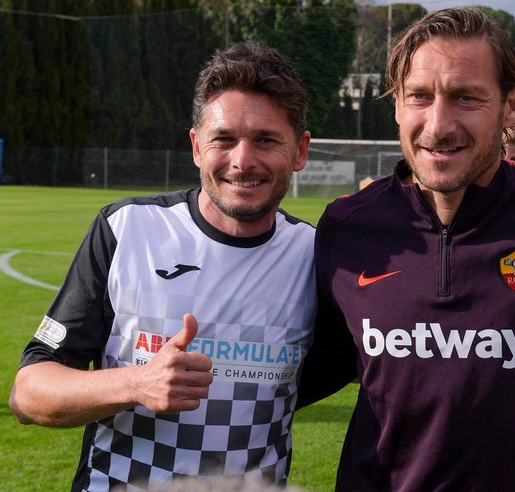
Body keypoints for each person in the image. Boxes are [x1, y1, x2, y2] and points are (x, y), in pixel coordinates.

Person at [298, 7, 515, 491]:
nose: (439, 125)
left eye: (466, 98)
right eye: (419, 96)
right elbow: (312, 366)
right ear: (397, 105)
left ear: (509, 106)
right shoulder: (346, 226)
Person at [9, 42, 316, 490]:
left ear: (300, 151)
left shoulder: (313, 254)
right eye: (224, 139)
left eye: (266, 140)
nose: (242, 160)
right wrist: (137, 383)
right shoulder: (128, 229)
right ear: (196, 146)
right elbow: (28, 394)